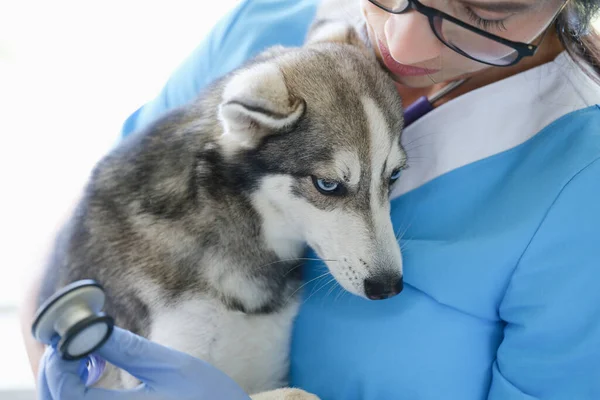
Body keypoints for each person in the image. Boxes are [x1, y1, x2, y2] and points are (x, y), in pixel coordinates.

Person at [22, 0, 600, 398]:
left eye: (485, 9)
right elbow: (81, 247)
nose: (402, 42)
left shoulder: (581, 184)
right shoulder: (264, 24)